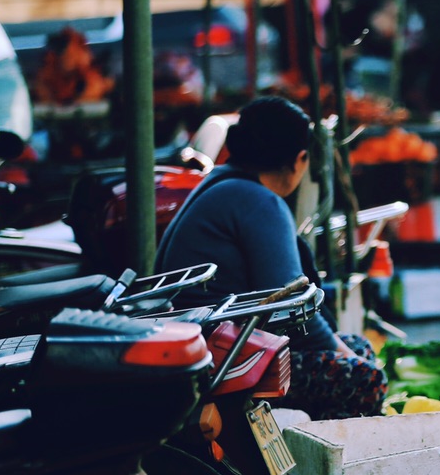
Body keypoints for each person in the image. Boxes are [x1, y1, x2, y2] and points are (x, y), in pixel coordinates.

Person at [157, 96, 386, 421]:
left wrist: (345, 350)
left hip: (209, 343)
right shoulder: (259, 201)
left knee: (359, 348)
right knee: (367, 380)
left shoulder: (222, 181)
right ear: (300, 160)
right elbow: (291, 304)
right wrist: (348, 357)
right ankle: (319, 459)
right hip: (225, 359)